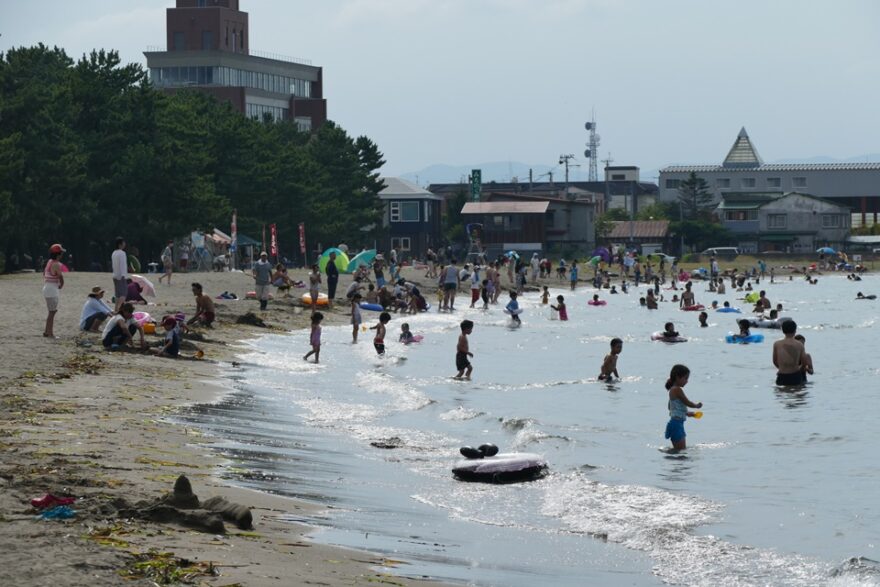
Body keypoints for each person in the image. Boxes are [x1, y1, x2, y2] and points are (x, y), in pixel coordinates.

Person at [664, 364, 703, 451]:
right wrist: (696, 405)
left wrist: (687, 413)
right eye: (685, 378)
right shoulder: (677, 389)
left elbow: (671, 408)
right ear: (678, 377)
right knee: (681, 453)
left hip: (675, 424)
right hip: (676, 425)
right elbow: (687, 402)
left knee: (680, 452)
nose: (687, 381)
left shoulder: (672, 390)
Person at [42, 244, 65, 338]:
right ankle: (50, 333)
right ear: (58, 254)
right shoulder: (56, 264)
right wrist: (61, 285)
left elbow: (44, 273)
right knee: (52, 312)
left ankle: (47, 331)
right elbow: (60, 276)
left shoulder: (49, 262)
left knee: (51, 312)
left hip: (47, 287)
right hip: (52, 289)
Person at [772, 319, 806, 386]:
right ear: (795, 330)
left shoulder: (777, 344)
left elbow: (775, 361)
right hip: (795, 375)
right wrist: (798, 368)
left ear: (782, 330)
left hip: (782, 375)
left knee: (781, 394)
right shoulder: (799, 345)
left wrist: (782, 368)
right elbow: (804, 363)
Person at [111, 237, 128, 312]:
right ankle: (119, 309)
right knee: (123, 294)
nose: (125, 244)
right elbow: (122, 265)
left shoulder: (114, 253)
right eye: (123, 243)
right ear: (120, 244)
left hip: (114, 275)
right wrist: (123, 276)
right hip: (121, 276)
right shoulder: (122, 253)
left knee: (117, 295)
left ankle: (115, 309)